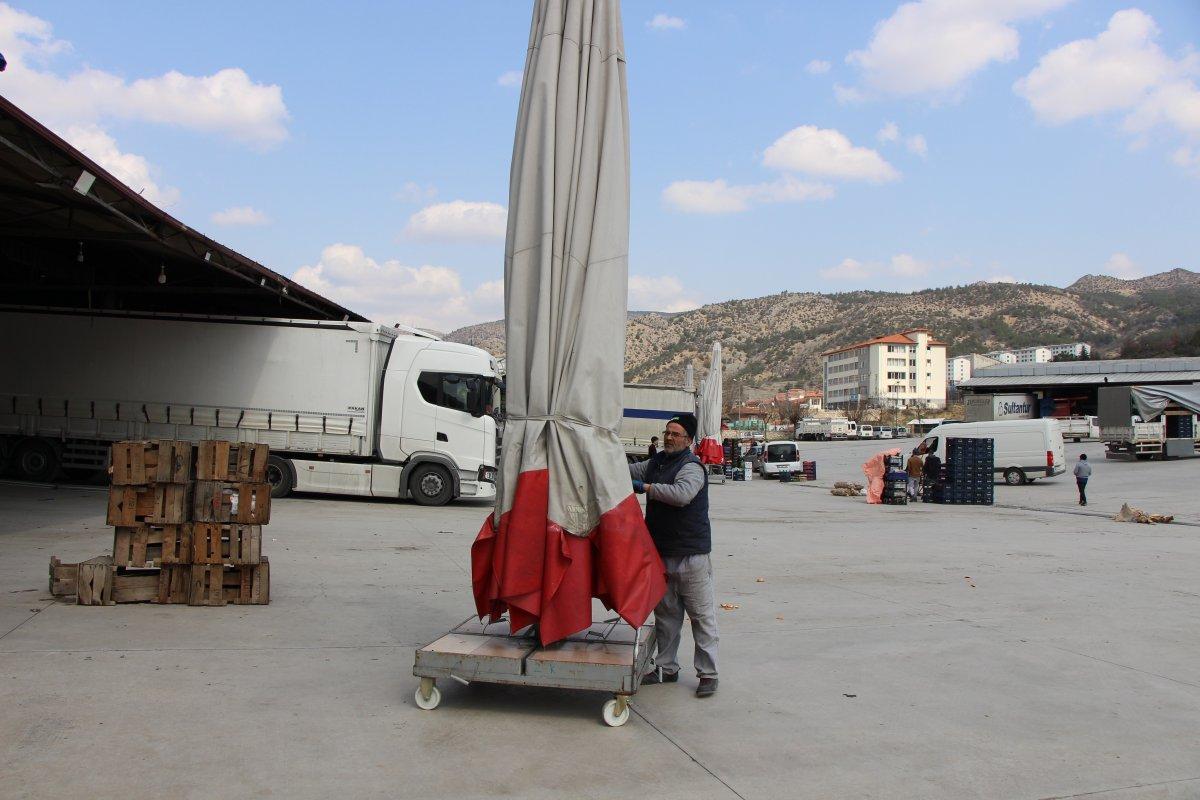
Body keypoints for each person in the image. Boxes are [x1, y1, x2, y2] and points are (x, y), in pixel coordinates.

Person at [629, 412, 719, 698]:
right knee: (667, 616)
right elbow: (630, 470)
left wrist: (645, 488)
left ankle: (707, 673)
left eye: (676, 434)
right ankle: (666, 668)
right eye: (667, 432)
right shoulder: (657, 462)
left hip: (691, 555)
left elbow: (681, 495)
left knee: (701, 617)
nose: (669, 437)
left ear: (689, 440)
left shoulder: (692, 467)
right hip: (662, 552)